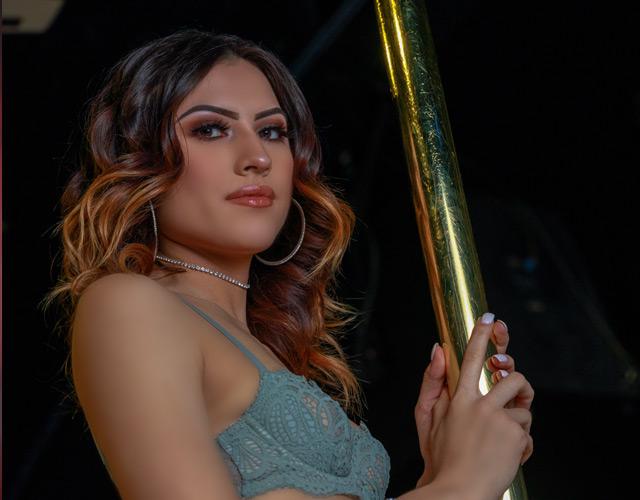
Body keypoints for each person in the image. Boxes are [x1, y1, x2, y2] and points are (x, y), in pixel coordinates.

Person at [45, 29, 533, 500]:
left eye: (272, 131)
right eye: (210, 129)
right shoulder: (129, 304)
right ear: (138, 159)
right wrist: (461, 485)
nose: (257, 156)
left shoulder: (261, 346)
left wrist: (442, 468)